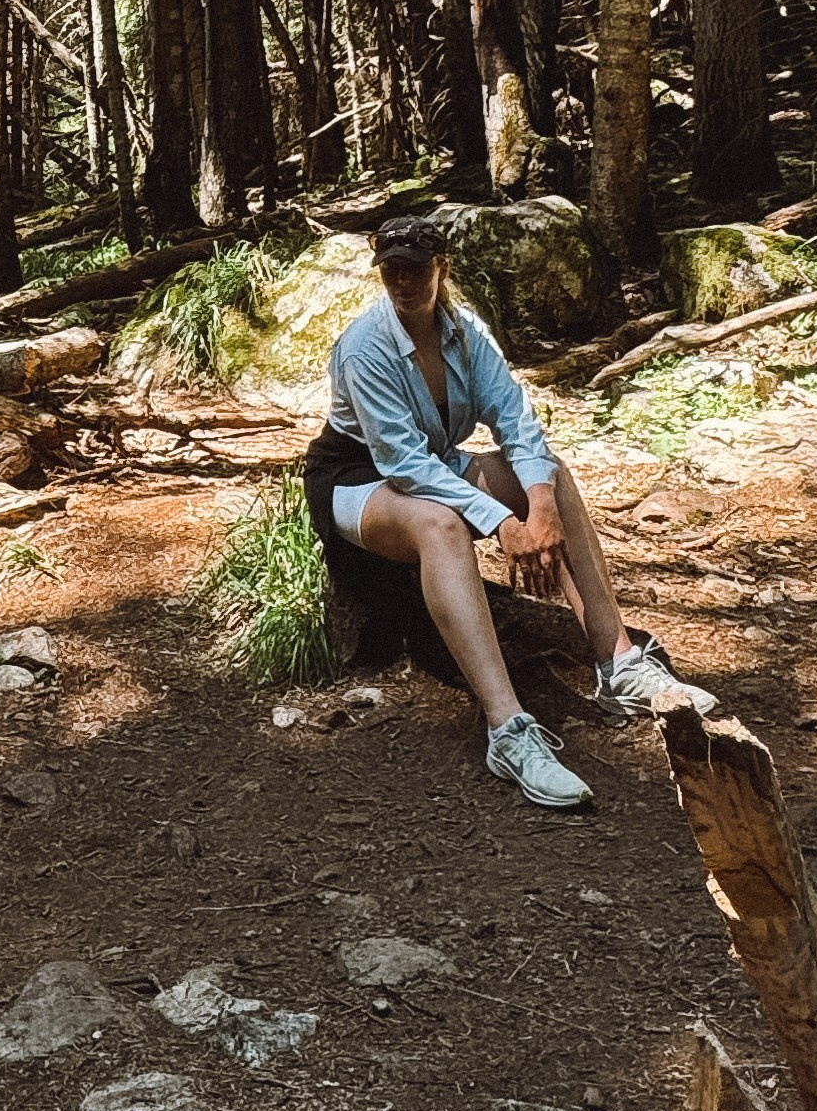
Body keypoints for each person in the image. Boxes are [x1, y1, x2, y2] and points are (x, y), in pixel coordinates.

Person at [303, 209, 715, 812]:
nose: (404, 282)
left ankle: (620, 661)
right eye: (392, 270)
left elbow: (517, 422)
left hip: (437, 465)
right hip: (357, 480)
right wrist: (501, 523)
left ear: (441, 269)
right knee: (440, 524)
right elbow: (404, 466)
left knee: (548, 474)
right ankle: (508, 727)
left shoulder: (467, 334)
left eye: (416, 270)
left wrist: (539, 505)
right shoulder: (366, 346)